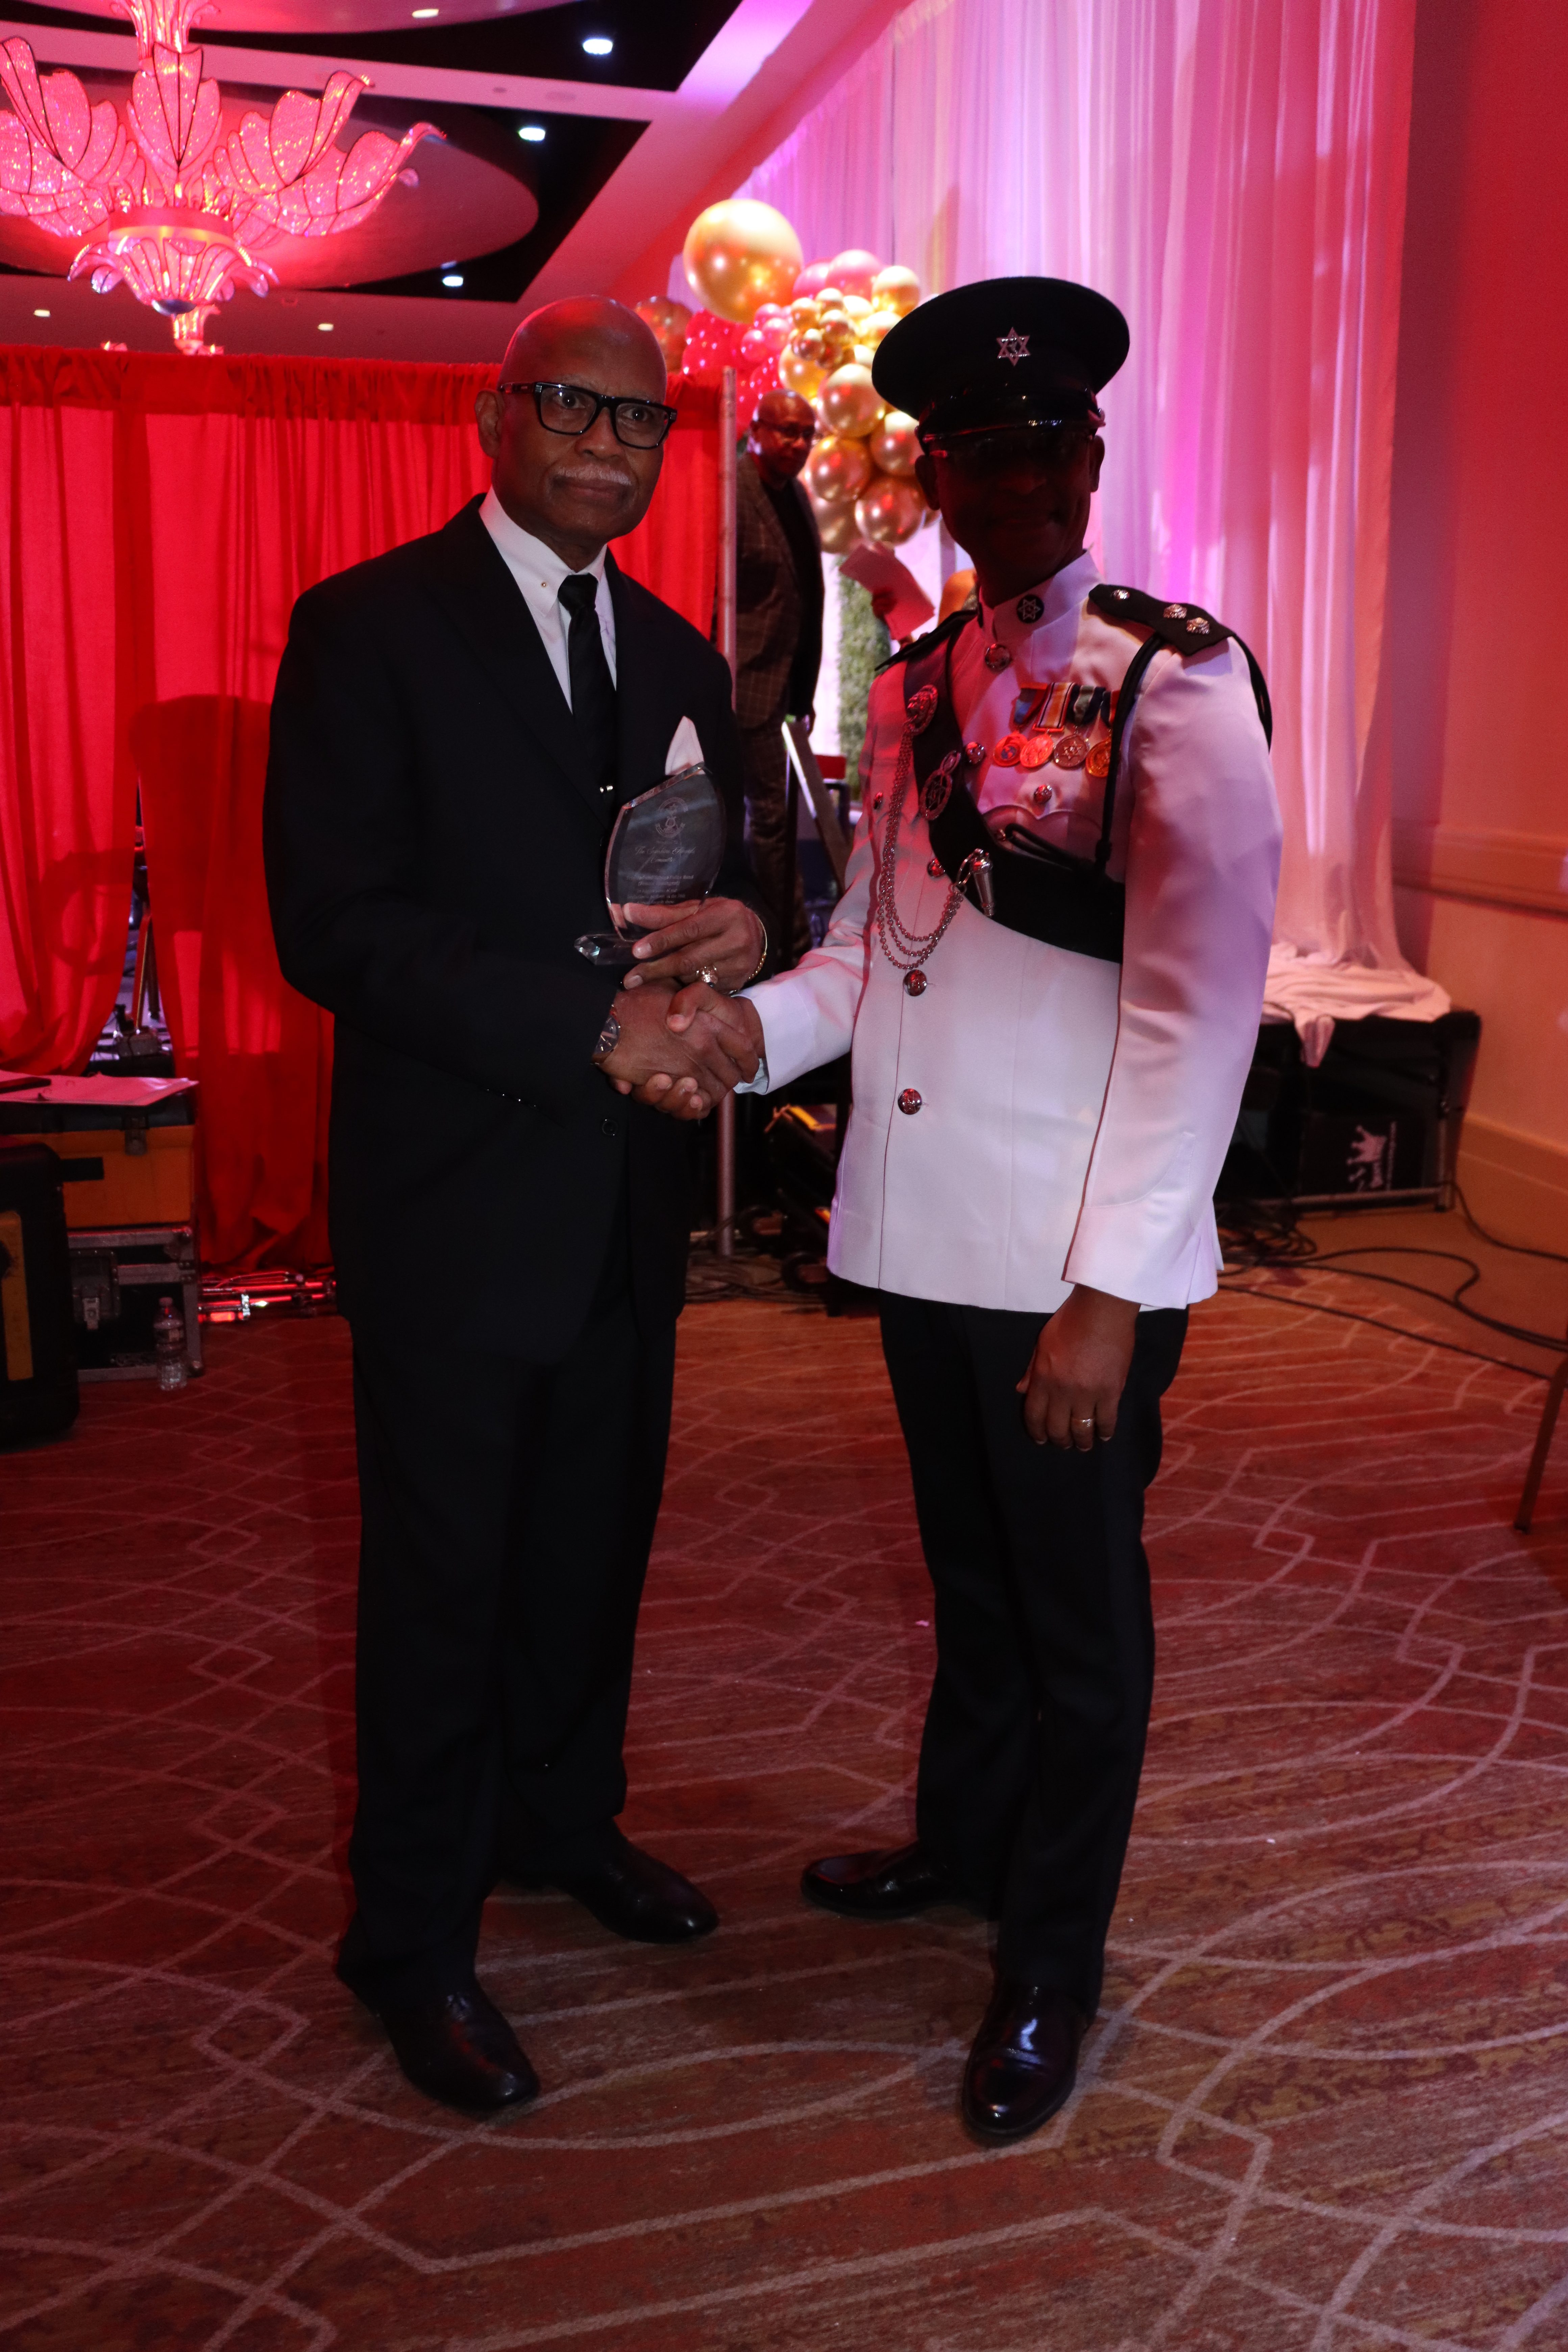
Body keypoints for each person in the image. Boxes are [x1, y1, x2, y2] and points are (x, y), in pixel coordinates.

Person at [662, 275, 1281, 2141]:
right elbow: (871, 959)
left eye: (1044, 449)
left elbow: (1200, 998)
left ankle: (1054, 1957)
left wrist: (1107, 1288)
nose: (1012, 482)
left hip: (1071, 1260)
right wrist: (731, 1033)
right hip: (926, 1236)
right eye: (977, 455)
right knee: (975, 1580)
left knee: (1079, 1613)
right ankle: (962, 1840)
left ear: (1089, 458)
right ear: (932, 475)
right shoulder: (919, 682)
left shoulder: (1176, 676)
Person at [264, 298, 764, 2115]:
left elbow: (721, 879)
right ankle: (409, 1937)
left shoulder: (683, 657)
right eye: (573, 407)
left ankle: (565, 1827)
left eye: (640, 422)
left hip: (625, 1206)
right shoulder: (370, 629)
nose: (611, 443)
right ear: (496, 420)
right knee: (442, 1578)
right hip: (455, 1197)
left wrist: (745, 936)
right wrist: (590, 1021)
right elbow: (341, 924)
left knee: (589, 1547)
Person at [733, 388, 824, 964]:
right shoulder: (732, 490)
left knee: (775, 818)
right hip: (741, 684)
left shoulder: (797, 495)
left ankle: (779, 940)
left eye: (807, 434)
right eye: (787, 430)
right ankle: (786, 948)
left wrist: (805, 690)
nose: (798, 444)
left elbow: (806, 594)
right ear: (757, 429)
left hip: (782, 684)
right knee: (767, 819)